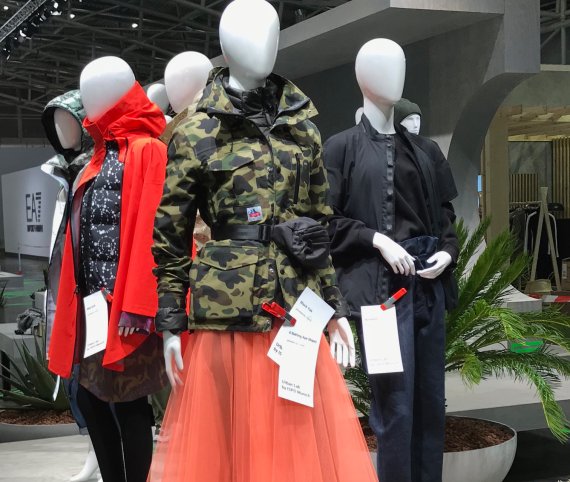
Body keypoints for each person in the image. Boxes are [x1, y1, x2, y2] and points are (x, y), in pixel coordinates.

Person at [147, 1, 378, 481]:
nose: (265, 45)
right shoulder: (195, 131)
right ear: (226, 46)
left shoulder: (302, 129)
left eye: (272, 33)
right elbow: (169, 234)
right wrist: (170, 323)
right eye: (251, 35)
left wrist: (334, 308)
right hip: (227, 316)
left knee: (295, 448)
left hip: (294, 311)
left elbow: (318, 225)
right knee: (228, 451)